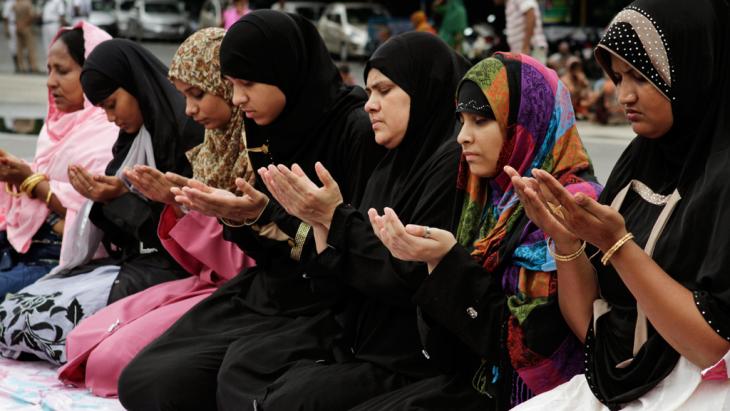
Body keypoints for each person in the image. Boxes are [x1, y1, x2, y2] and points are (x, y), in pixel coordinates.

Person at [117, 10, 383, 410]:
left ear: (286, 70)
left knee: (238, 385)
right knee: (144, 380)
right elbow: (271, 248)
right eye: (231, 85)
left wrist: (264, 218)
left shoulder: (354, 131)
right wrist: (238, 219)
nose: (238, 99)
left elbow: (354, 250)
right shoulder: (265, 130)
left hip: (330, 305)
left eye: (247, 84)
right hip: (270, 291)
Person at [509, 0, 730, 409]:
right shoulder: (639, 158)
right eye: (617, 75)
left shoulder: (721, 176)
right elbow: (592, 330)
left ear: (694, 71)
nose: (623, 94)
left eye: (642, 77)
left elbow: (713, 350)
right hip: (625, 388)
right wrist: (565, 242)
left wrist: (619, 246)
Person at [367, 52, 601, 409]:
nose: (462, 137)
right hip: (473, 381)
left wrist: (447, 263)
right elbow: (447, 345)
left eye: (480, 120)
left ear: (525, 121)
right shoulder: (487, 195)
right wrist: (435, 263)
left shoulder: (568, 205)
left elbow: (531, 347)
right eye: (461, 120)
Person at [255, 31, 470, 409]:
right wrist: (319, 224)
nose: (370, 105)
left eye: (384, 91)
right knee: (254, 372)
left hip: (413, 360)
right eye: (369, 92)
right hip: (360, 339)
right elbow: (341, 277)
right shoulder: (389, 164)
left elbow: (407, 272)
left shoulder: (452, 164)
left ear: (424, 90)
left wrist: (334, 219)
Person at [58, 28, 255, 398]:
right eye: (184, 96)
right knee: (78, 338)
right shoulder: (212, 145)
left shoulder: (222, 141)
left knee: (119, 364)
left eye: (198, 94)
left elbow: (243, 253)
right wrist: (118, 196)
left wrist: (171, 202)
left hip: (223, 282)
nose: (190, 109)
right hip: (186, 272)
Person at [0, 38, 204, 364]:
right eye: (103, 109)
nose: (110, 118)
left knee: (32, 320)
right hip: (131, 266)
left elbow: (187, 241)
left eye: (112, 103)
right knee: (13, 310)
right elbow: (120, 240)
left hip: (175, 275)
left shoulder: (187, 135)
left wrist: (121, 198)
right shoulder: (131, 141)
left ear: (136, 85)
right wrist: (104, 200)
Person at [0, 22, 116, 304]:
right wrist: (18, 173)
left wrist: (31, 181)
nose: (51, 82)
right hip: (23, 246)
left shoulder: (109, 132)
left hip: (63, 261)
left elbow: (96, 225)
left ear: (94, 75)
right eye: (49, 70)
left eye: (62, 71)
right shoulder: (56, 127)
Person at [13, 0, 39, 73]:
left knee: (19, 48)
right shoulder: (28, 3)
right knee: (31, 47)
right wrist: (25, 23)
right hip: (26, 27)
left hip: (18, 27)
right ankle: (33, 66)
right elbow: (32, 15)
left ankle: (21, 66)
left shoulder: (16, 4)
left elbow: (13, 14)